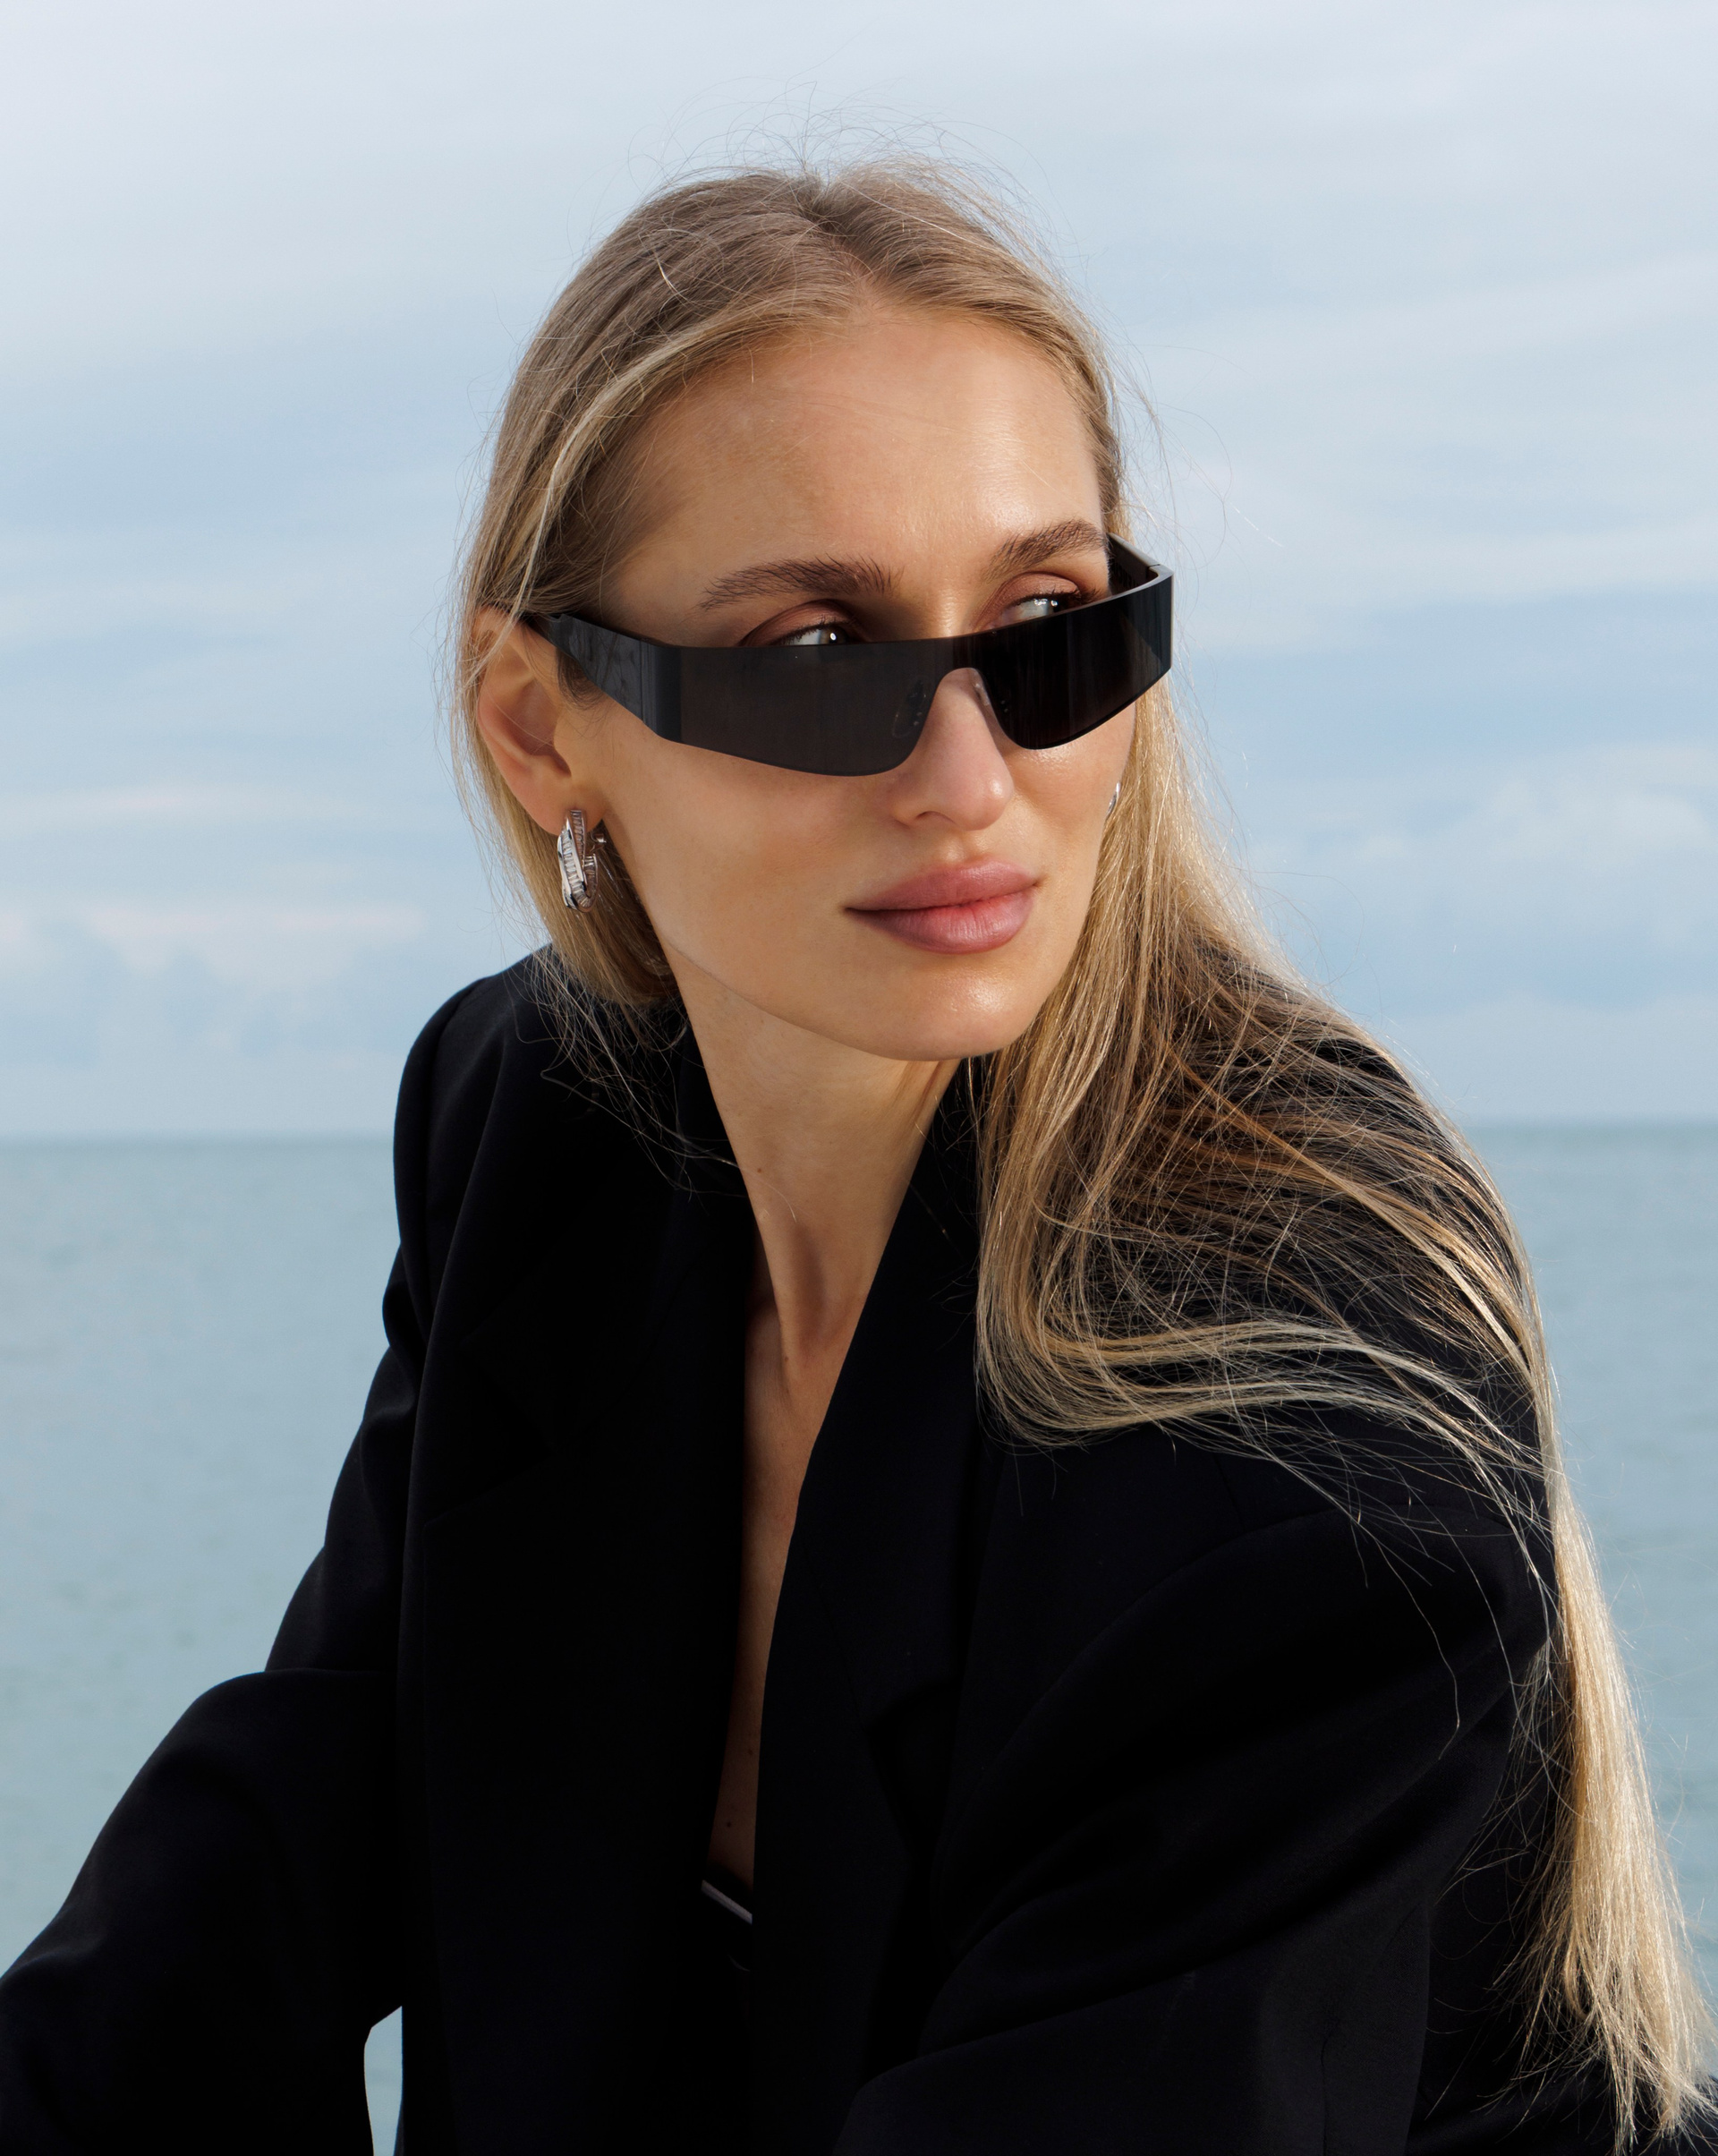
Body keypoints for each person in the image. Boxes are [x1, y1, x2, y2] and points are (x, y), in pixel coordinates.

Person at [0, 158, 1710, 2156]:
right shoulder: (534, 1126)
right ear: (543, 730)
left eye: (1050, 621)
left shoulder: (1297, 1412)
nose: (972, 778)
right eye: (821, 648)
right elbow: (278, 1854)